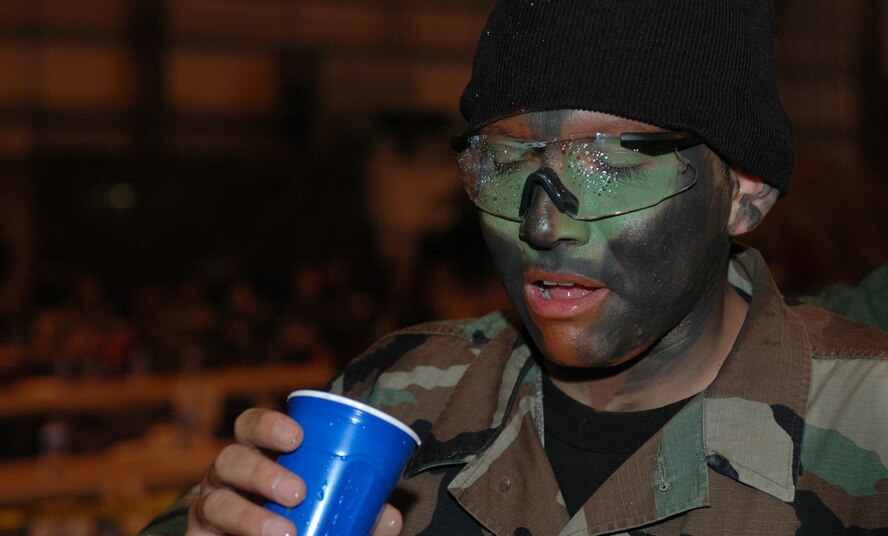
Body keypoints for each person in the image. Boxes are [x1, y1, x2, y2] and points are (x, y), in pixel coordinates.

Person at [141, 1, 888, 534]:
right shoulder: (398, 396)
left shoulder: (866, 428)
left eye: (606, 166)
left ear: (745, 194)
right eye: (502, 165)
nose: (538, 223)